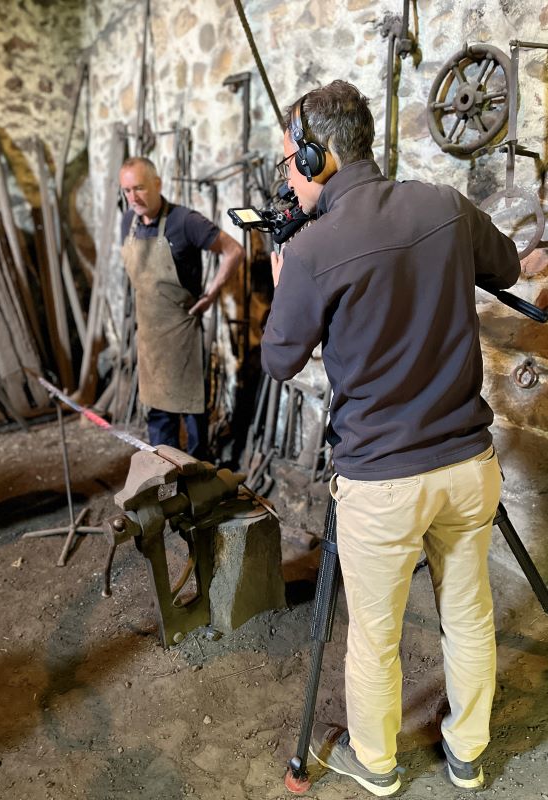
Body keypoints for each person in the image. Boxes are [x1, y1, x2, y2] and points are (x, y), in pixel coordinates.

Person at [261, 81, 521, 797]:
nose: (290, 176)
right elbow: (508, 267)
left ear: (319, 157)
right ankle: (468, 752)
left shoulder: (312, 250)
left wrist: (283, 270)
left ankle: (377, 764)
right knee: (468, 614)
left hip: (382, 483)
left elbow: (279, 359)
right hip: (468, 467)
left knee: (375, 634)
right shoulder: (443, 205)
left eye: (292, 162)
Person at [119, 157, 244, 458]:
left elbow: (234, 251)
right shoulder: (129, 222)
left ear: (157, 184)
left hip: (182, 336)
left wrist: (211, 295)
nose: (132, 198)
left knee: (192, 415)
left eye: (139, 188)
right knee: (159, 422)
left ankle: (198, 482)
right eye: (126, 191)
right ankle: (166, 481)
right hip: (150, 337)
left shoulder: (185, 221)